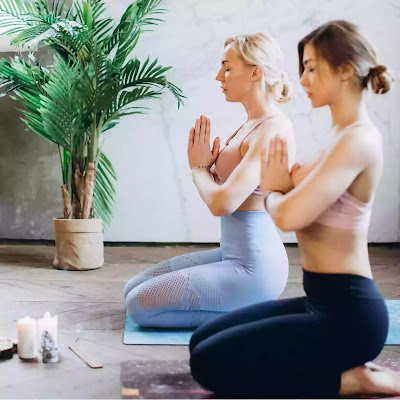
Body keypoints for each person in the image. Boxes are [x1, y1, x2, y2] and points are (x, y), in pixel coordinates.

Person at [189, 20, 399, 398]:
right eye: (304, 68)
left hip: (349, 314)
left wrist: (272, 189)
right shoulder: (337, 138)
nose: (302, 79)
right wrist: (279, 187)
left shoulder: (358, 141)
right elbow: (286, 195)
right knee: (200, 342)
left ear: (345, 71)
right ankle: (338, 367)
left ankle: (348, 380)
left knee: (208, 364)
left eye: (313, 68)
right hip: (319, 299)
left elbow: (287, 216)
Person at [123, 32, 295, 328]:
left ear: (255, 72)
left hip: (254, 268)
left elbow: (223, 203)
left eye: (227, 67)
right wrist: (212, 169)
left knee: (140, 307)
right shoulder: (252, 122)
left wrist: (199, 170)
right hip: (231, 254)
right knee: (132, 289)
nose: (219, 76)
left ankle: (256, 312)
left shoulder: (272, 129)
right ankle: (247, 308)